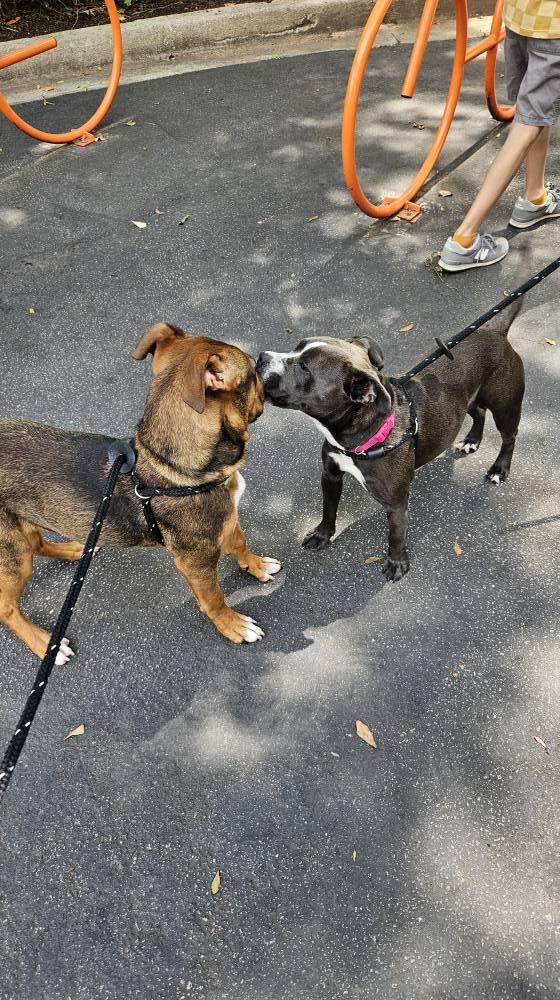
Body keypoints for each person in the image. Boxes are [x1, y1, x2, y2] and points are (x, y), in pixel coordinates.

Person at [439, 0, 560, 273]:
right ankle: (464, 239)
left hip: (521, 17)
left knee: (534, 113)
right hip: (554, 30)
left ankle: (535, 197)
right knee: (529, 123)